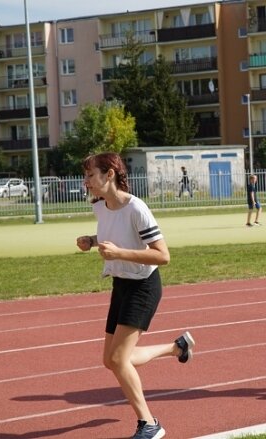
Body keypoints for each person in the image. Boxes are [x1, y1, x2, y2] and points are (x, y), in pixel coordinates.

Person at [76, 152, 195, 439]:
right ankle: (176, 348)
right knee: (112, 358)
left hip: (144, 286)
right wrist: (91, 241)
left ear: (110, 175)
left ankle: (149, 423)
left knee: (118, 359)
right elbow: (112, 234)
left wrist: (118, 253)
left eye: (91, 175)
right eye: (86, 176)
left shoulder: (136, 208)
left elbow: (162, 255)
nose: (86, 182)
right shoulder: (101, 207)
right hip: (121, 285)